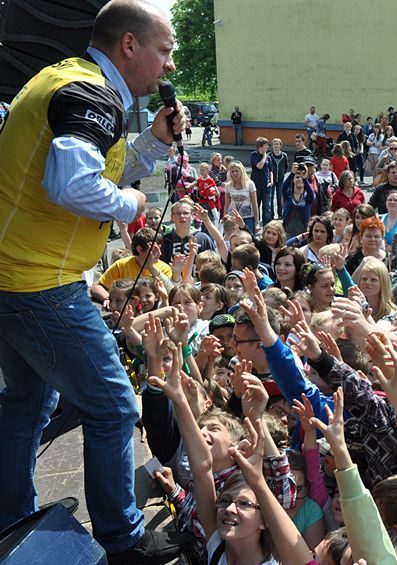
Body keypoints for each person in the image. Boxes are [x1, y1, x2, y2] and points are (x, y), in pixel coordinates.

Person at [0, 1, 195, 561]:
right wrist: (134, 204)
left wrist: (153, 145)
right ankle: (124, 538)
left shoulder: (69, 79)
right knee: (114, 407)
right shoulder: (93, 94)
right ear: (129, 46)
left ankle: (14, 515)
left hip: (17, 274)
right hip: (41, 283)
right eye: (165, 50)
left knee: (26, 402)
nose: (171, 66)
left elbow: (93, 169)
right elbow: (72, 184)